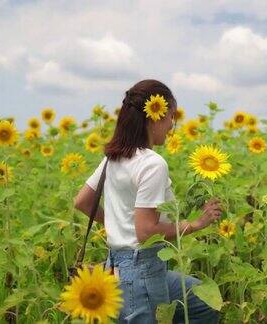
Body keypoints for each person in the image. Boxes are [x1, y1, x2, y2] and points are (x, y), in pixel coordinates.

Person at [74, 79, 222, 323]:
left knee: (203, 304)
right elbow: (145, 232)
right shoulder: (152, 164)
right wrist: (196, 223)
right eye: (170, 117)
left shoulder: (114, 157)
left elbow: (82, 201)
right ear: (154, 115)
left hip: (120, 266)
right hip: (141, 270)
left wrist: (119, 224)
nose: (171, 125)